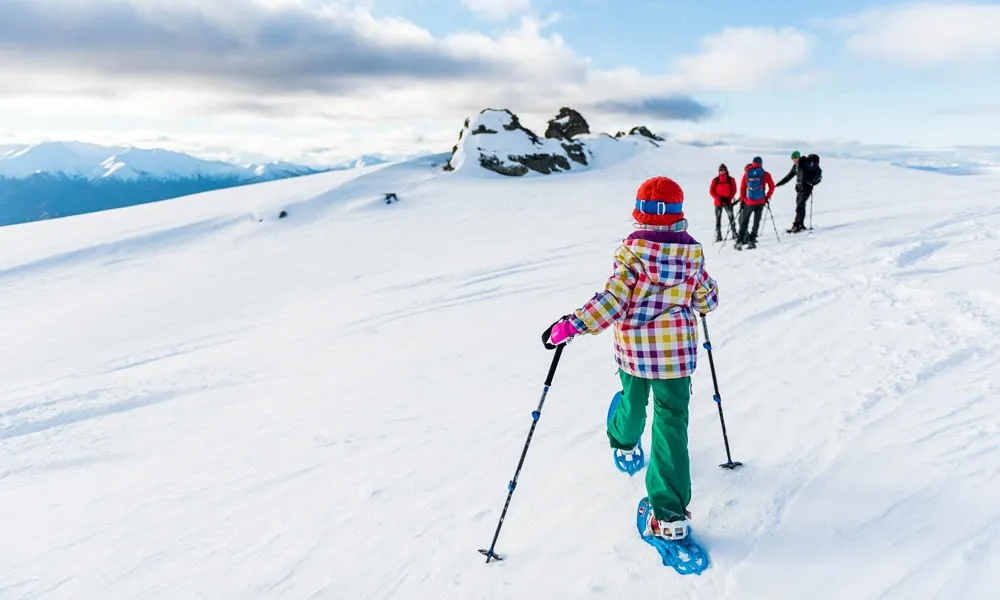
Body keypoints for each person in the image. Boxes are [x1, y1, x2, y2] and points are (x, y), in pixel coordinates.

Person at [542, 175, 720, 541]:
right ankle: (669, 514)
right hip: (675, 358)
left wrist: (572, 325)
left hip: (636, 354)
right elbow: (708, 300)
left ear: (639, 215)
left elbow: (612, 301)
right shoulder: (692, 255)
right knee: (671, 423)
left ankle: (623, 440)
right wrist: (694, 292)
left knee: (633, 402)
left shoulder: (632, 255)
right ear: (678, 214)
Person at [775, 150, 820, 233]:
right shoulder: (795, 166)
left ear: (798, 157)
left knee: (799, 206)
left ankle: (796, 225)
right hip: (799, 189)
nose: (794, 160)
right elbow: (789, 176)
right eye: (792, 158)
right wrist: (779, 184)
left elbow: (818, 170)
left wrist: (812, 181)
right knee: (800, 206)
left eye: (795, 157)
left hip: (806, 188)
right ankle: (801, 224)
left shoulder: (806, 163)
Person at [736, 156, 774, 250]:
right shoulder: (765, 174)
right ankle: (752, 241)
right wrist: (767, 196)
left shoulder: (747, 174)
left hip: (749, 202)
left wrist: (742, 199)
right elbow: (772, 186)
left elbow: (742, 188)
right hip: (760, 201)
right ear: (761, 163)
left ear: (753, 163)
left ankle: (739, 241)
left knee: (744, 221)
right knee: (756, 222)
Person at [709, 164, 738, 242]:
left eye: (723, 170)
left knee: (731, 217)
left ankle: (734, 233)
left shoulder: (731, 179)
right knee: (718, 220)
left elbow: (734, 190)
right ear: (719, 171)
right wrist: (719, 198)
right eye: (721, 170)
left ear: (726, 170)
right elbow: (711, 191)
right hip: (718, 203)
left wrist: (728, 199)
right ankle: (719, 235)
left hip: (727, 202)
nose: (722, 172)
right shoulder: (715, 180)